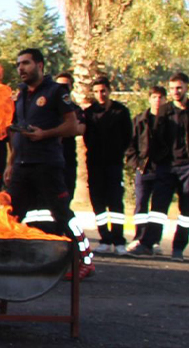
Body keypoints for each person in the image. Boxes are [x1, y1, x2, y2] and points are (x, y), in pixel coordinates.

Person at [6, 49, 94, 278]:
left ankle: (85, 259)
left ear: (40, 65)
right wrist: (10, 163)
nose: (21, 68)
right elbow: (16, 131)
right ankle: (6, 260)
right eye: (18, 64)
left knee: (62, 213)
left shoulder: (56, 91)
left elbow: (72, 126)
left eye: (26, 63)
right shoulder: (21, 95)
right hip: (22, 165)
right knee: (10, 213)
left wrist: (44, 134)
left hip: (47, 164)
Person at [129, 72, 189, 261]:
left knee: (186, 209)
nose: (176, 91)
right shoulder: (164, 111)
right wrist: (154, 160)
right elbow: (154, 136)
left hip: (188, 167)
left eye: (179, 88)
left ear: (187, 88)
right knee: (158, 208)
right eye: (173, 88)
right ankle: (148, 244)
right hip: (166, 167)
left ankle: (178, 248)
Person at [82, 76, 133, 255]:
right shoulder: (89, 113)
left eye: (103, 91)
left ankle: (119, 240)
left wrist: (118, 152)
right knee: (98, 202)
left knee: (115, 202)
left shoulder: (121, 111)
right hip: (95, 163)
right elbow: (86, 137)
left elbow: (128, 135)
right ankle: (104, 238)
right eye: (96, 92)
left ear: (109, 91)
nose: (100, 94)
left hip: (114, 163)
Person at [126, 85, 166, 247]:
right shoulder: (139, 120)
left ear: (166, 100)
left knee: (159, 208)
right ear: (149, 99)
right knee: (141, 203)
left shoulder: (171, 120)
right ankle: (139, 237)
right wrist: (136, 163)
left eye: (161, 97)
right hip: (144, 169)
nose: (157, 100)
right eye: (154, 97)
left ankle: (154, 240)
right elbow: (130, 144)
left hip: (164, 169)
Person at [54, 72, 79, 208]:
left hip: (67, 158)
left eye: (66, 86)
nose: (62, 89)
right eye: (59, 86)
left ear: (71, 87)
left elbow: (78, 129)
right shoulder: (48, 109)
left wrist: (54, 131)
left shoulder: (75, 109)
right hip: (50, 158)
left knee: (67, 195)